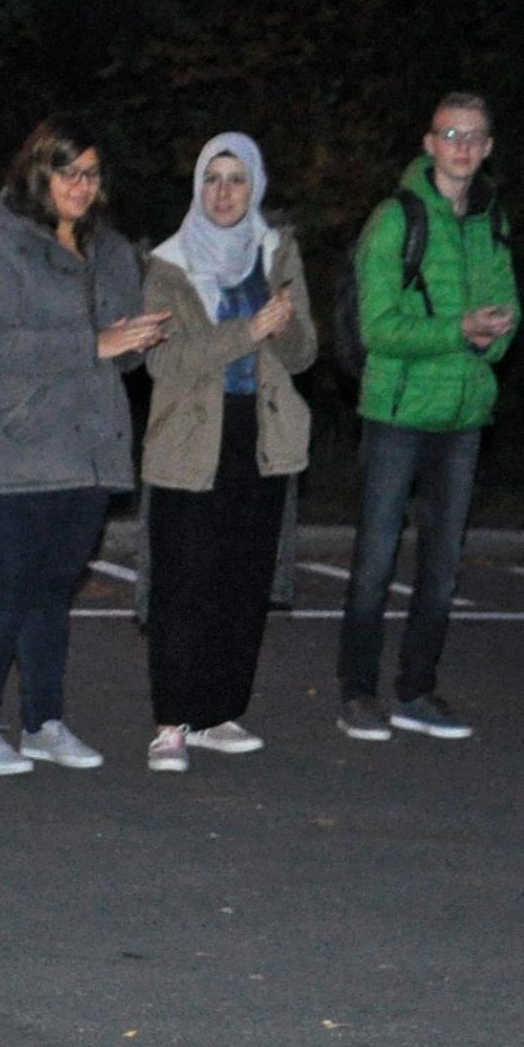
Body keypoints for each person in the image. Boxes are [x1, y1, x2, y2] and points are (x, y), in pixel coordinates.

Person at [0, 120, 161, 775]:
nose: (81, 185)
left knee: (52, 591)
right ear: (38, 174)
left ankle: (44, 722)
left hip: (85, 447)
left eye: (91, 174)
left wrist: (135, 339)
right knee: (5, 591)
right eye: (67, 172)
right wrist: (95, 344)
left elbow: (119, 356)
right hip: (11, 446)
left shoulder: (110, 250)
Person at [337, 92, 521, 741]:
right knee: (375, 562)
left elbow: (508, 313)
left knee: (442, 569)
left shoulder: (492, 220)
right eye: (450, 134)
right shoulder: (396, 218)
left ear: (488, 147)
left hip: (464, 416)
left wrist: (491, 337)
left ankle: (417, 690)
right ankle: (357, 693)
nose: (461, 147)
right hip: (397, 413)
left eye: (473, 136)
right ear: (429, 143)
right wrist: (459, 331)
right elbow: (378, 328)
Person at [134, 133, 314, 770]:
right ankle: (171, 722)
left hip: (260, 437)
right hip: (190, 439)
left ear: (255, 186)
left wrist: (281, 328)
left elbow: (303, 354)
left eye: (237, 179)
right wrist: (249, 329)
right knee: (183, 583)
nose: (224, 192)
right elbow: (165, 361)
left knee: (243, 581)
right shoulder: (169, 263)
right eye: (213, 179)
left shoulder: (276, 251)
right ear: (198, 187)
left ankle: (217, 711)